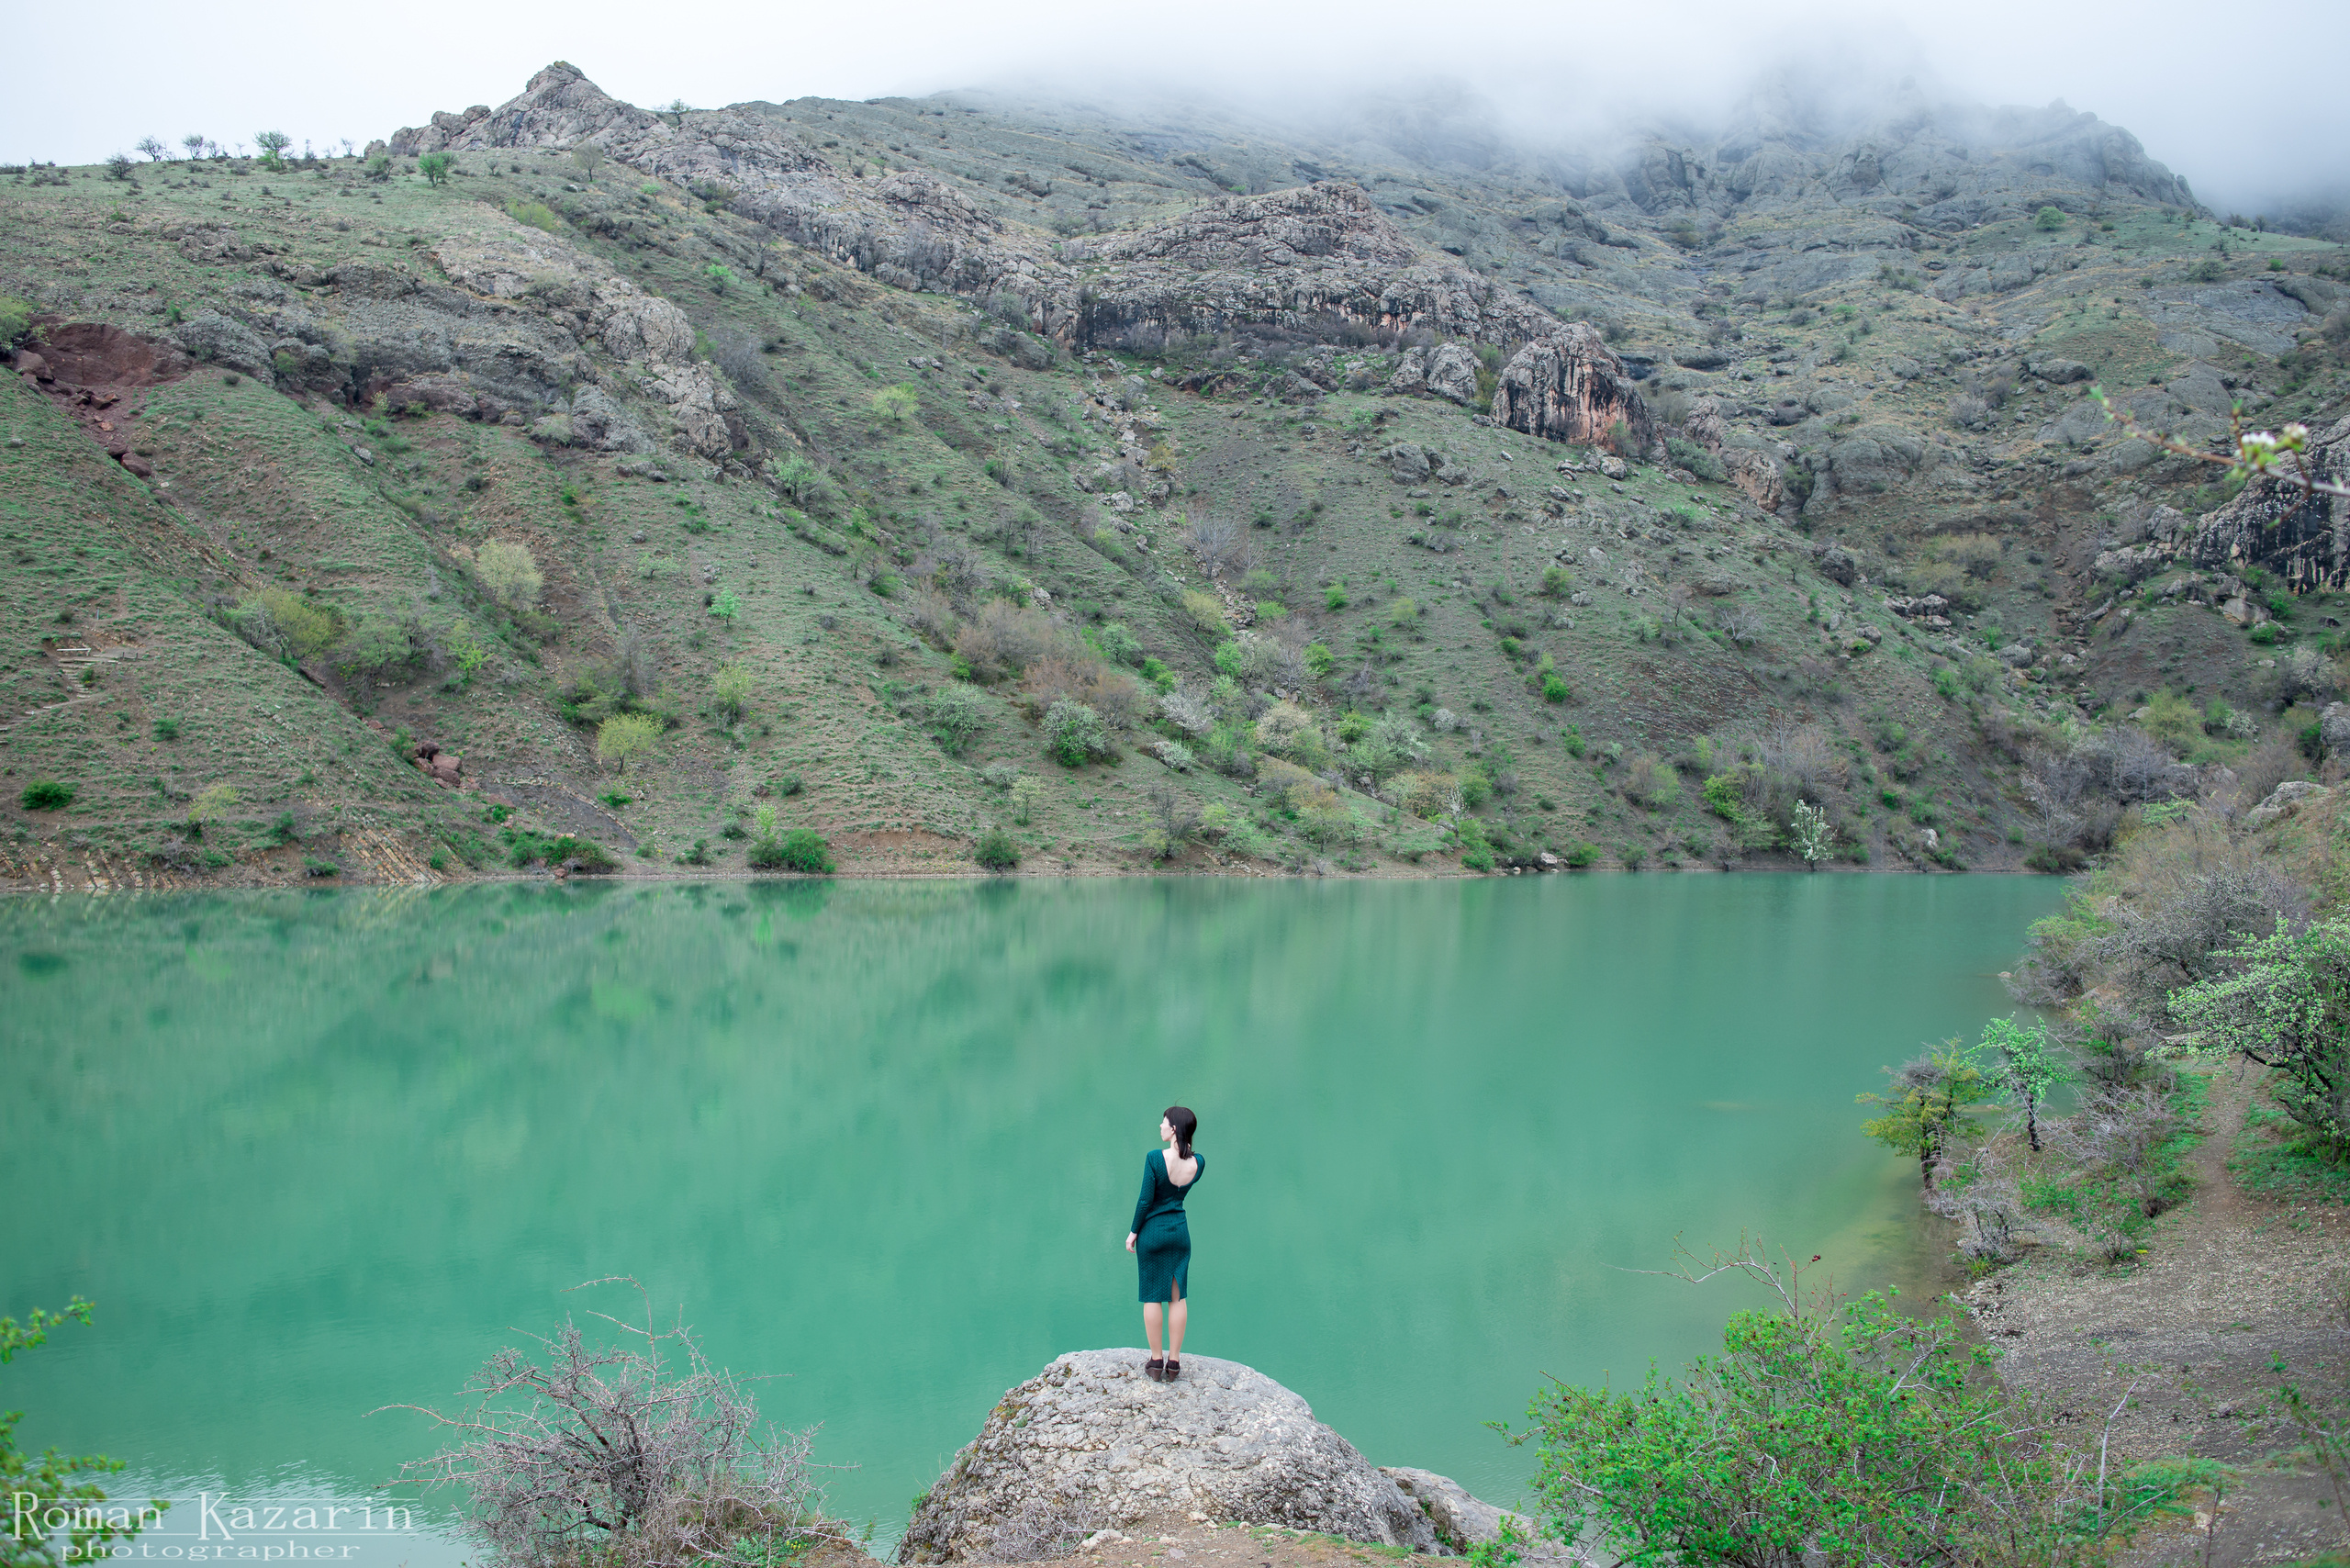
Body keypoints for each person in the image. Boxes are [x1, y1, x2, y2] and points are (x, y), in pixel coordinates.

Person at [1125, 1105, 1202, 1383]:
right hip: (1179, 1232)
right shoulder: (1199, 1163)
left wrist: (1133, 1232)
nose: (1160, 1126)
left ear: (1174, 1129)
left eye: (1164, 1122)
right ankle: (1175, 1362)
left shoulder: (1155, 1158)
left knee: (1152, 1296)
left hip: (1153, 1233)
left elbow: (1145, 1200)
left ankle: (1156, 1361)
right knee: (1177, 1296)